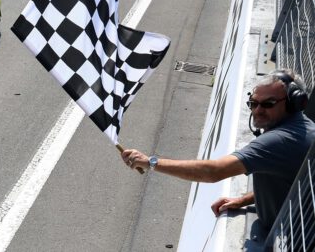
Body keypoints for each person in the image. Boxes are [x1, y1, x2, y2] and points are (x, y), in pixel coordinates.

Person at [121, 69, 315, 230]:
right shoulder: (303, 127)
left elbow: (213, 171)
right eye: (253, 103)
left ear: (294, 102)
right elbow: (290, 180)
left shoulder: (279, 141)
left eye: (268, 104)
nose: (257, 110)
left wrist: (151, 162)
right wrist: (244, 200)